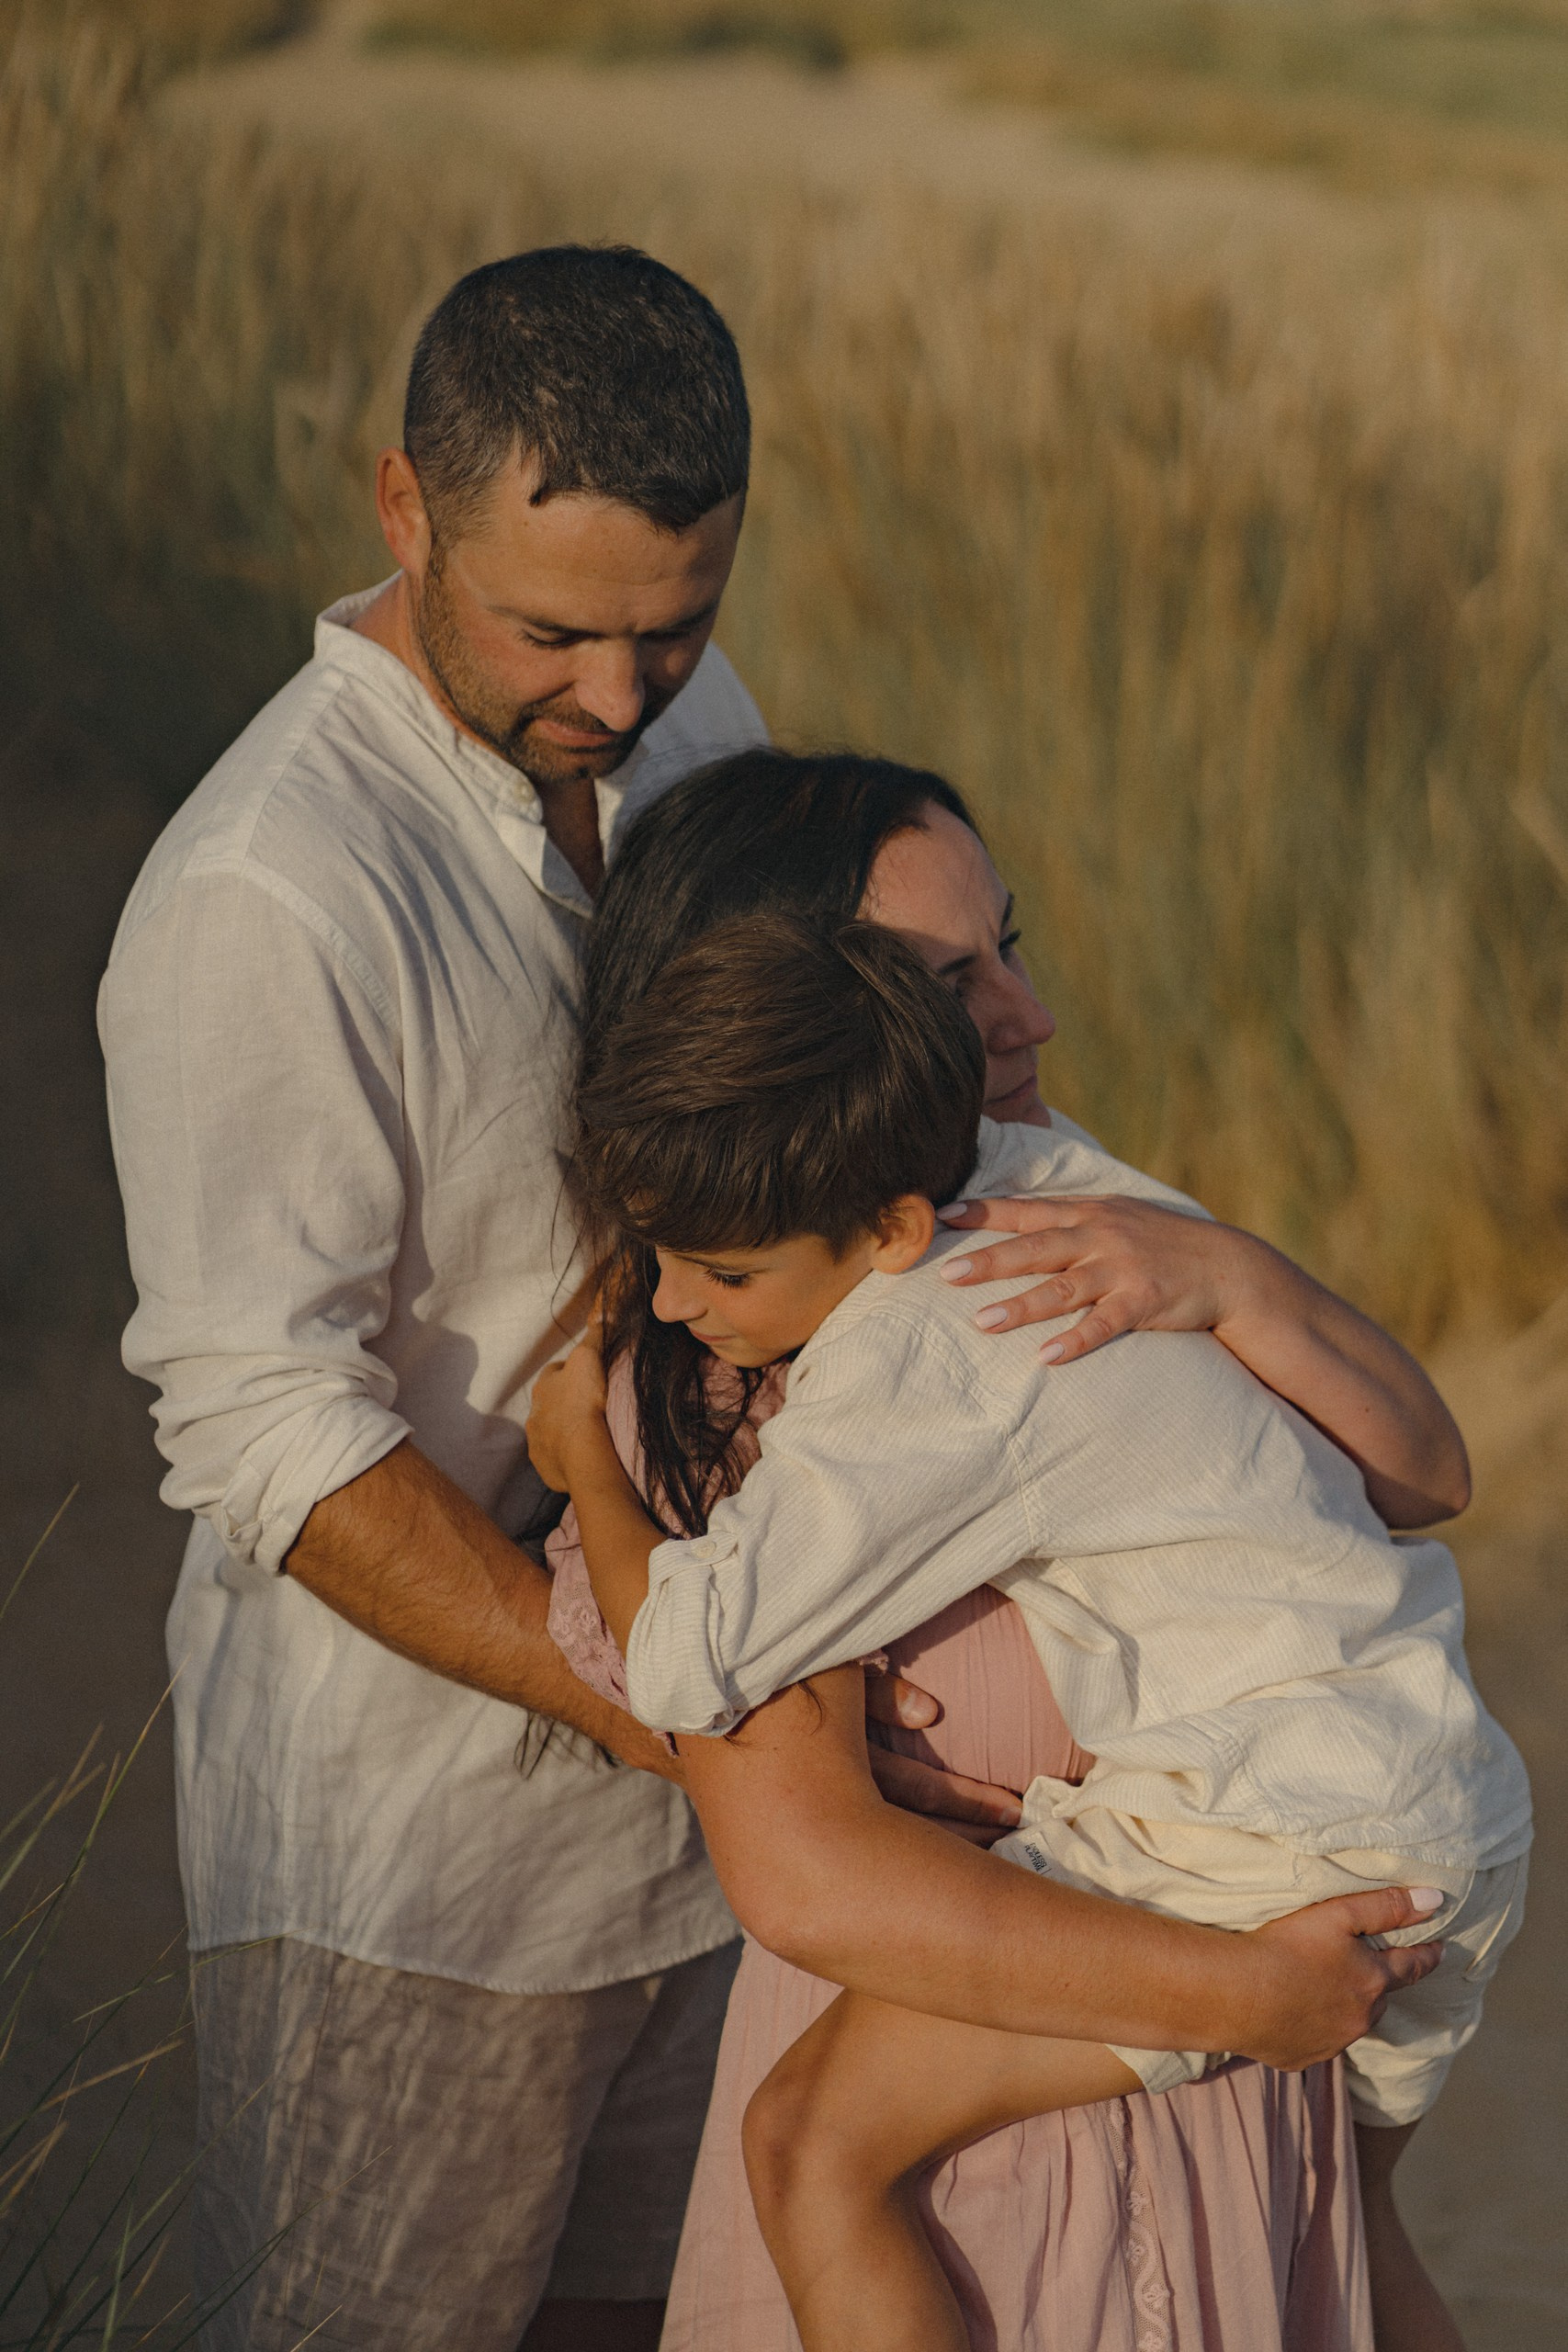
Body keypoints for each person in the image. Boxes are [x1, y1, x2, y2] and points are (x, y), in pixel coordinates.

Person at [525, 748, 1479, 2349]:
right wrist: (1239, 1994)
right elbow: (803, 1871)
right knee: (815, 2150)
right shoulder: (762, 1377)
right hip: (1009, 2145)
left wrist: (1233, 1275)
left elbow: (1426, 1468)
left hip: (1242, 2046)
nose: (1029, 1018)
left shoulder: (1057, 1228)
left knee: (1355, 2247)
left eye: (1010, 947)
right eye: (951, 979)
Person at [98, 244, 777, 2352]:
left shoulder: (700, 723)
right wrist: (641, 1694)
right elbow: (261, 1423)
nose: (618, 692)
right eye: (550, 626)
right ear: (401, 508)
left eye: (671, 625)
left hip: (714, 1832)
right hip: (414, 1875)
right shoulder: (265, 891)